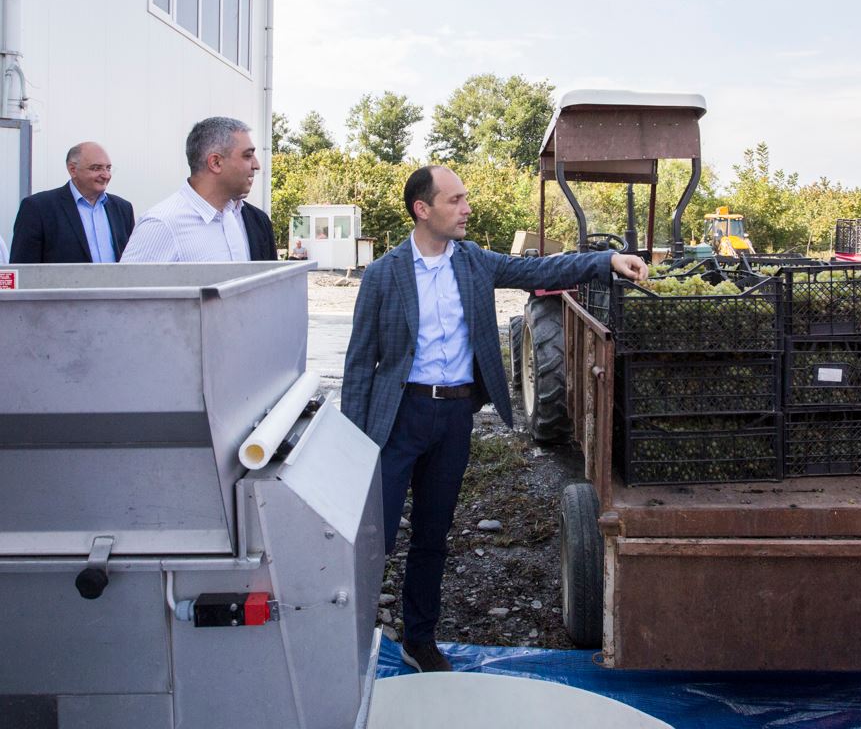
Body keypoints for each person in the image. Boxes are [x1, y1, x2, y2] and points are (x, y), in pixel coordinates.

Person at [341, 165, 647, 673]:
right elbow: (358, 365)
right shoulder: (383, 274)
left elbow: (541, 272)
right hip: (398, 417)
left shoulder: (474, 261)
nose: (467, 209)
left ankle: (419, 639)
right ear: (423, 209)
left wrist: (607, 260)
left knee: (433, 535)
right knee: (373, 537)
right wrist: (351, 444)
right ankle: (345, 640)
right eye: (455, 200)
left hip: (454, 417)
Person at [120, 117, 276, 262]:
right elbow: (128, 283)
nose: (256, 166)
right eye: (247, 156)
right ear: (215, 163)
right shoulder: (161, 224)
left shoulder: (234, 217)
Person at [9, 142, 134, 263]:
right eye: (96, 168)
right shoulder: (38, 208)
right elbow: (23, 267)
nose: (106, 175)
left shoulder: (123, 209)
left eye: (108, 168)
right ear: (73, 169)